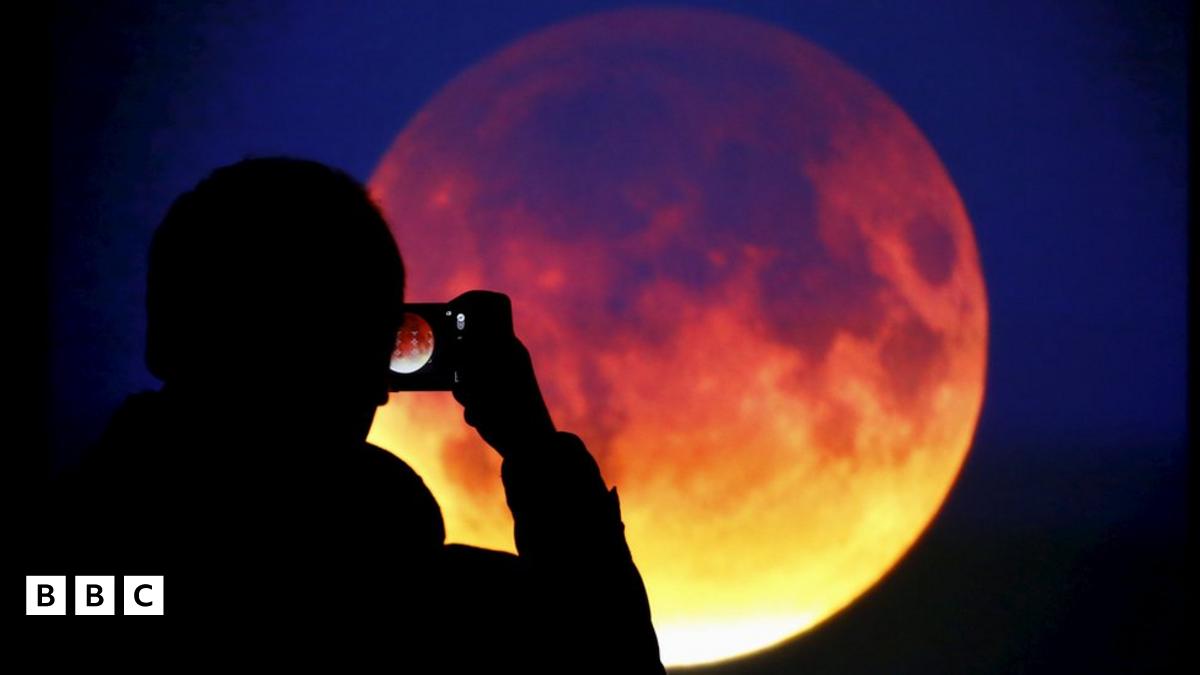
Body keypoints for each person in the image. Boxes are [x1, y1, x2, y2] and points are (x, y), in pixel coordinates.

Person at [46, 157, 663, 671]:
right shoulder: (445, 618)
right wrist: (532, 445)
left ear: (163, 339)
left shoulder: (74, 575)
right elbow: (611, 662)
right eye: (378, 339)